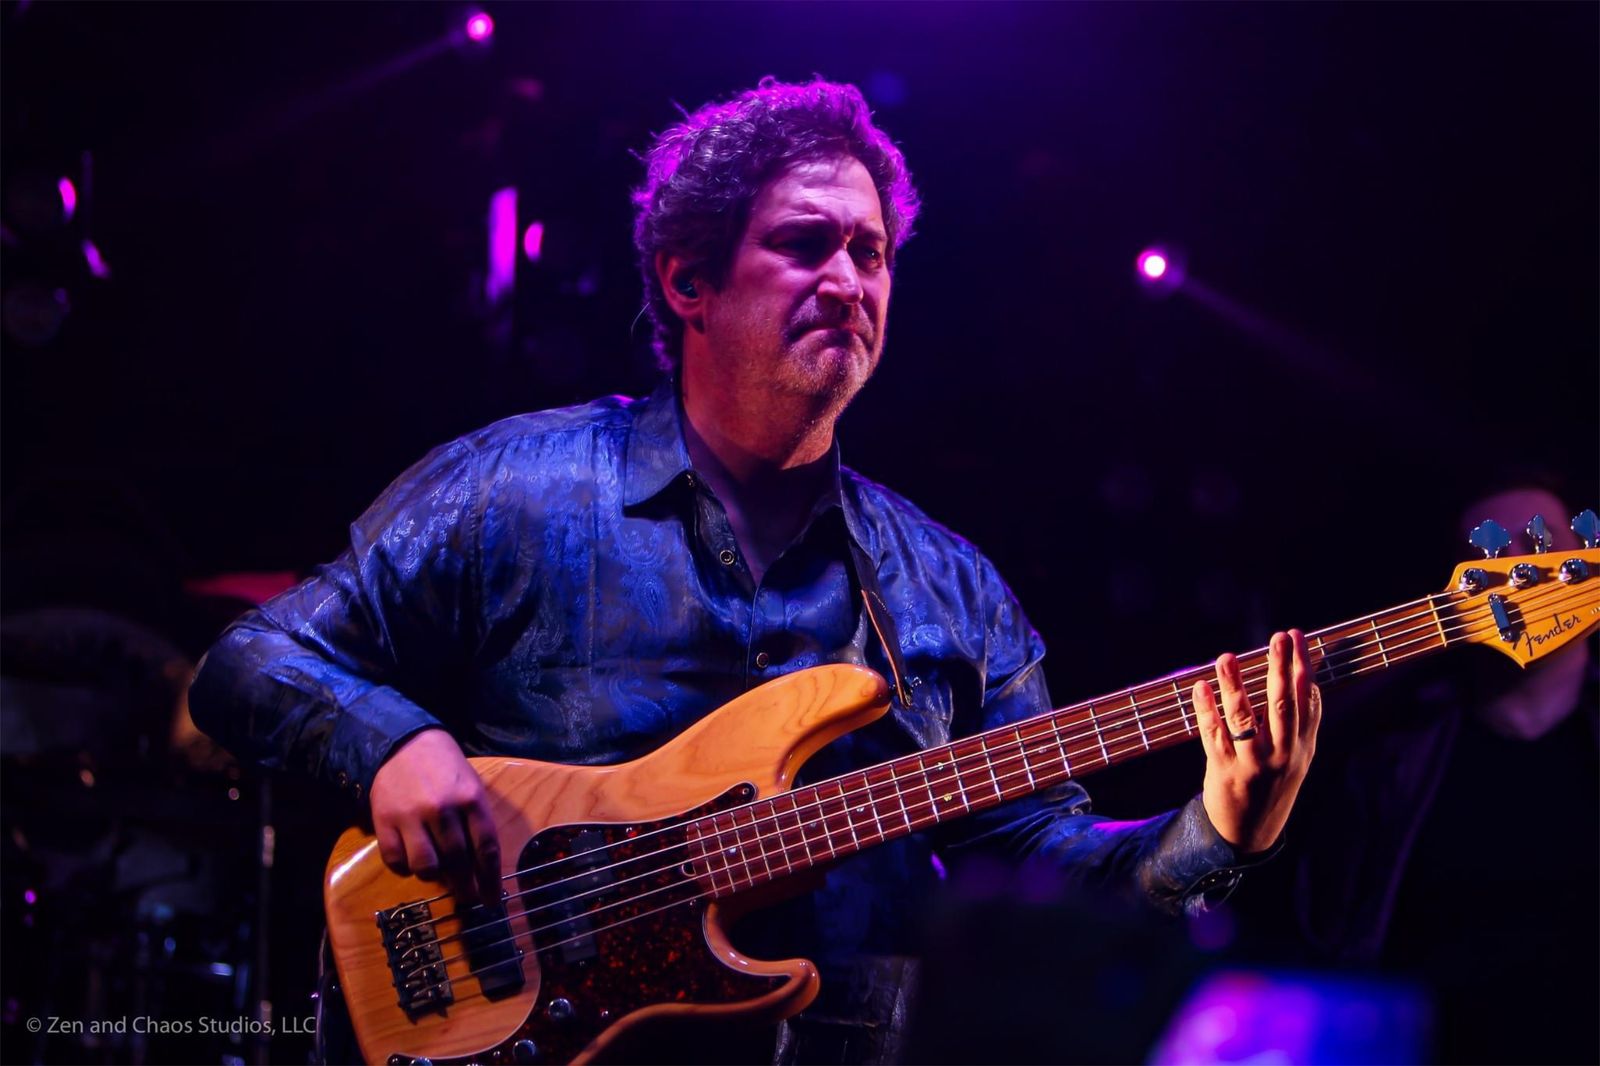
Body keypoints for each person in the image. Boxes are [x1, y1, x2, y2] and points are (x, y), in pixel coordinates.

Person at [188, 78, 1322, 1062]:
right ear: (689, 279)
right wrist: (394, 745)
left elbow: (1047, 883)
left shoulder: (952, 592)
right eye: (805, 243)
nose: (849, 280)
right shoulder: (515, 491)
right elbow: (248, 661)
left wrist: (1219, 829)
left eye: (871, 253)